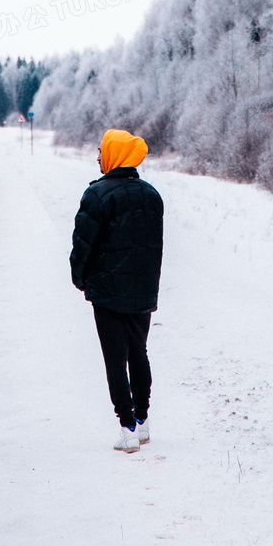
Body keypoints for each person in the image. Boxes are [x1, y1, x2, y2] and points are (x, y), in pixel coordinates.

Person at [70, 128, 164, 453]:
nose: (97, 156)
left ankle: (127, 430)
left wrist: (80, 277)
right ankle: (143, 422)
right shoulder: (152, 195)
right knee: (139, 353)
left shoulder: (96, 196)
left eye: (101, 150)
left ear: (114, 154)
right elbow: (154, 248)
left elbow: (83, 244)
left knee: (115, 359)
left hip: (108, 292)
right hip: (142, 290)